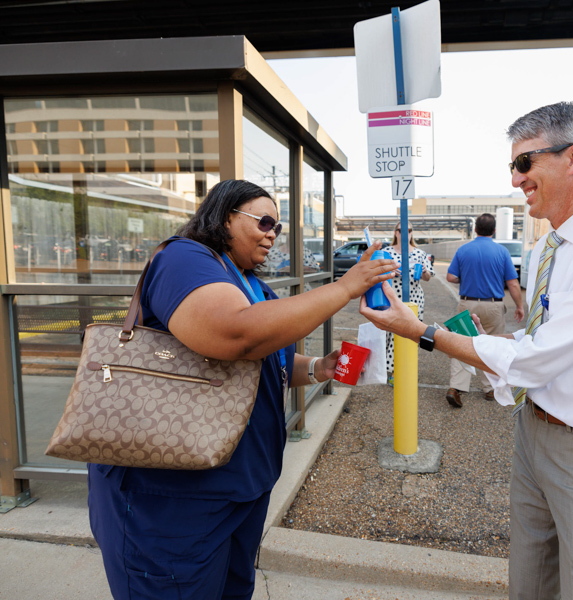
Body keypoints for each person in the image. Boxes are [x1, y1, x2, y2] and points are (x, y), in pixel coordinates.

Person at [361, 101, 573, 600]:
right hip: (535, 432)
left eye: (525, 163)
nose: (516, 179)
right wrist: (507, 341)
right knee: (528, 583)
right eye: (513, 166)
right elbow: (537, 340)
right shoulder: (544, 250)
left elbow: (539, 359)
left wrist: (424, 331)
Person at [87, 179, 396, 600]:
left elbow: (268, 364)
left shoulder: (247, 282)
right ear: (224, 216)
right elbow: (234, 336)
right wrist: (344, 287)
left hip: (239, 488)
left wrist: (321, 367)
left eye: (278, 226)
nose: (272, 232)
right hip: (171, 500)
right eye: (264, 221)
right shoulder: (184, 257)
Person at [445, 213, 524, 407]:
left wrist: (465, 277)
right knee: (492, 344)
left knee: (461, 342)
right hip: (494, 305)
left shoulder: (463, 250)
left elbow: (450, 277)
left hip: (468, 303)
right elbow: (513, 283)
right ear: (494, 230)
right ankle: (490, 389)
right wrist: (520, 306)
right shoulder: (502, 252)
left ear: (475, 229)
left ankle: (456, 387)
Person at [383, 221, 434, 386]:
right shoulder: (387, 252)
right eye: (401, 230)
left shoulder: (420, 253)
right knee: (391, 335)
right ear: (395, 233)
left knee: (413, 334)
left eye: (409, 230)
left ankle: (406, 369)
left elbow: (428, 277)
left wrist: (425, 271)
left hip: (415, 299)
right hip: (393, 298)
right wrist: (389, 272)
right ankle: (391, 372)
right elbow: (377, 273)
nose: (406, 233)